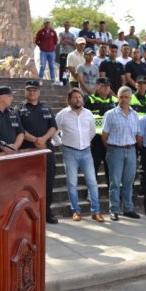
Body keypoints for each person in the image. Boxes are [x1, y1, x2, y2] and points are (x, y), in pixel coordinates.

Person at [55, 88, 104, 222]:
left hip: (86, 151)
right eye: (75, 97)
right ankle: (75, 211)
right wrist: (60, 141)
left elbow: (93, 131)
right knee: (72, 182)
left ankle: (96, 211)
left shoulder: (88, 114)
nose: (78, 99)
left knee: (92, 182)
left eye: (80, 97)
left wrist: (85, 142)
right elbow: (54, 130)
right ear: (69, 100)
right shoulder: (62, 115)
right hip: (69, 151)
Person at [16, 80, 59, 224]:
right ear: (25, 92)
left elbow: (54, 127)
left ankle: (47, 212)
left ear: (39, 92)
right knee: (27, 183)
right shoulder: (19, 109)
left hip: (46, 150)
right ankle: (29, 213)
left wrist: (43, 139)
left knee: (48, 182)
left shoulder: (46, 108)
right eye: (29, 90)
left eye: (34, 90)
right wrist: (35, 140)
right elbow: (19, 129)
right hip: (28, 151)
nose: (32, 92)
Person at [102, 86, 140, 221]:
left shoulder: (135, 115)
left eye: (126, 97)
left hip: (131, 150)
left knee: (129, 182)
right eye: (121, 97)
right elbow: (104, 136)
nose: (124, 100)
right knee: (115, 182)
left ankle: (128, 209)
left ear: (130, 98)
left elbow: (137, 134)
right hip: (115, 150)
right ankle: (114, 210)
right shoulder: (110, 114)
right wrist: (113, 148)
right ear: (117, 97)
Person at [84, 77, 117, 188]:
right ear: (97, 86)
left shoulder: (114, 101)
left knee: (111, 166)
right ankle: (91, 190)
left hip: (111, 139)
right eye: (103, 86)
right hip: (95, 139)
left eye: (108, 86)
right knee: (94, 166)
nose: (106, 89)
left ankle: (110, 188)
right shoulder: (89, 100)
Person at [35, 18, 59, 85]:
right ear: (44, 24)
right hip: (43, 52)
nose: (48, 24)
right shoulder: (40, 31)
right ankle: (40, 80)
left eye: (48, 23)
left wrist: (53, 48)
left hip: (51, 52)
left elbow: (56, 41)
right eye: (46, 23)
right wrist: (41, 46)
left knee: (52, 66)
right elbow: (36, 40)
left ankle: (53, 80)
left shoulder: (53, 32)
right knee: (42, 66)